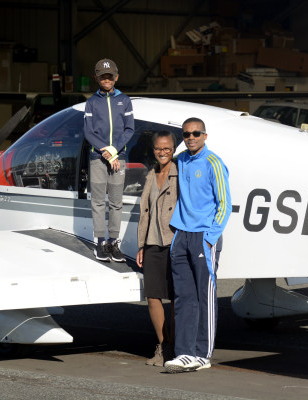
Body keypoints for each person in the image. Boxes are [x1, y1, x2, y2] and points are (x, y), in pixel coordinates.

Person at [164, 117, 232, 373]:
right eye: (186, 134)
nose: (190, 138)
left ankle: (203, 354)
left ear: (205, 135)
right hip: (181, 235)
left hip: (204, 236)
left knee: (205, 296)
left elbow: (225, 204)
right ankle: (184, 352)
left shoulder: (213, 162)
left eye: (195, 133)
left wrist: (210, 237)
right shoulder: (180, 160)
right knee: (183, 298)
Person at [84, 59, 134, 262]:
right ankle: (100, 243)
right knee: (97, 201)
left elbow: (129, 129)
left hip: (118, 157)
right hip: (98, 157)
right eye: (103, 76)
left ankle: (113, 242)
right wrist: (106, 152)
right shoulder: (91, 102)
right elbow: (88, 131)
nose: (107, 79)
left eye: (110, 76)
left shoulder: (125, 100)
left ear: (117, 77)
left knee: (116, 202)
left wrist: (115, 150)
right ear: (96, 78)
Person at [136, 130, 178, 367]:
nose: (162, 153)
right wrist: (141, 244)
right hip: (152, 242)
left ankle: (176, 345)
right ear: (153, 150)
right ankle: (164, 346)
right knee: (153, 296)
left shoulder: (180, 174)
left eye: (167, 148)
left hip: (174, 241)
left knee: (174, 297)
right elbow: (145, 212)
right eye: (158, 148)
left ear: (173, 150)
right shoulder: (151, 174)